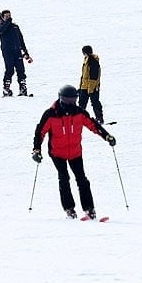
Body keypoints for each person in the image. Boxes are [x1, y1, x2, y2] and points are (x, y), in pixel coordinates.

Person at [32, 85, 117, 220]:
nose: (71, 103)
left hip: (75, 152)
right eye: (68, 100)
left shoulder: (79, 113)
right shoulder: (51, 114)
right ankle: (69, 209)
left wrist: (107, 136)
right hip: (57, 152)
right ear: (61, 98)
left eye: (73, 100)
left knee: (82, 179)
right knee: (64, 178)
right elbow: (40, 132)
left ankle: (89, 209)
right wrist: (36, 150)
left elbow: (93, 125)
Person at [0, 9, 32, 96]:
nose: (9, 17)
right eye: (6, 16)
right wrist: (7, 22)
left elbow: (21, 39)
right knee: (10, 70)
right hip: (8, 52)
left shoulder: (15, 27)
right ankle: (6, 88)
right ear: (3, 17)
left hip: (17, 51)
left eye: (9, 15)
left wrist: (25, 52)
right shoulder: (0, 27)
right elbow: (1, 30)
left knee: (21, 70)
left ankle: (23, 88)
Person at [78, 45, 104, 121]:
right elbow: (83, 75)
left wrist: (90, 89)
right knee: (81, 103)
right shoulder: (86, 60)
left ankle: (99, 118)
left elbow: (94, 77)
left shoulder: (93, 61)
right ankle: (79, 118)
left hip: (92, 87)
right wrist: (80, 87)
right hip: (84, 86)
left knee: (95, 103)